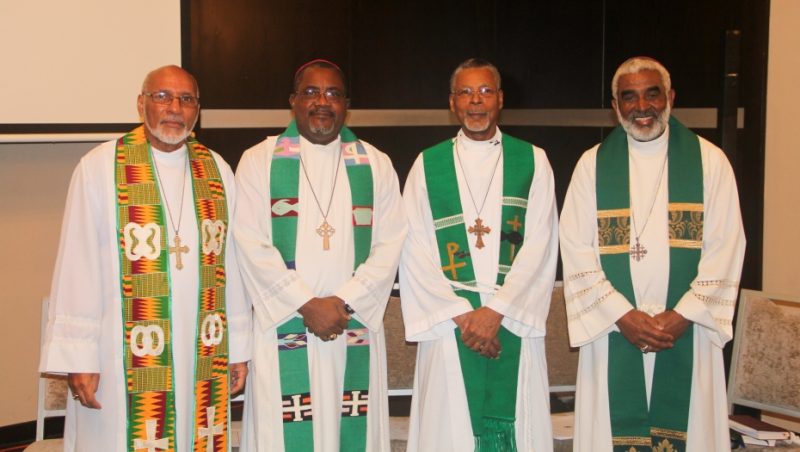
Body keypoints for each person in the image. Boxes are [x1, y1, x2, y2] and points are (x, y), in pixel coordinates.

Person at [39, 65, 252, 451]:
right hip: (120, 357)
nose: (174, 108)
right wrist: (80, 357)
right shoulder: (101, 167)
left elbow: (232, 265)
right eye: (162, 97)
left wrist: (237, 348)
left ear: (197, 110)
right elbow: (77, 265)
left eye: (186, 99)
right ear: (141, 105)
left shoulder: (217, 169)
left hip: (201, 352)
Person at [560, 56, 746, 451]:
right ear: (615, 107)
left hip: (686, 335)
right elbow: (575, 251)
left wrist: (682, 316)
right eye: (629, 97)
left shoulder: (710, 163)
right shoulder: (591, 167)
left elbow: (727, 247)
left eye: (651, 94)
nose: (641, 107)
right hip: (614, 335)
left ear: (671, 98)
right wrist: (622, 316)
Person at [235, 59, 407, 452]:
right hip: (286, 327)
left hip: (352, 324)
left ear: (347, 103)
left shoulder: (376, 165)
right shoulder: (258, 161)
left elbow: (390, 243)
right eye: (311, 92)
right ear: (293, 101)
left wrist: (342, 301)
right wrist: (306, 303)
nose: (322, 101)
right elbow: (249, 242)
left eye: (333, 93)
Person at [400, 58, 558, 451]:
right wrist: (463, 316)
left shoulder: (533, 160)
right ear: (452, 102)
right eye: (466, 92)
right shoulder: (427, 165)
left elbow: (542, 244)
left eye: (485, 91)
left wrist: (496, 311)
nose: (476, 101)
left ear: (500, 99)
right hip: (451, 326)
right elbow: (412, 248)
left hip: (511, 322)